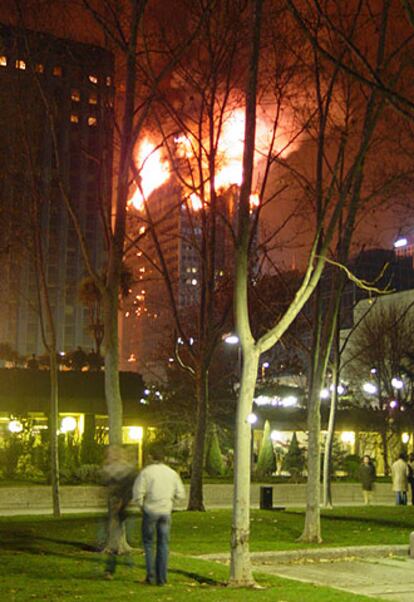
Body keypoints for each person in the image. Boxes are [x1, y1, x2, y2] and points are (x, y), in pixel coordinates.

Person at [133, 446, 185, 586]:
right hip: (165, 511)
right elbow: (180, 494)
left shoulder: (146, 473)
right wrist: (171, 502)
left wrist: (141, 506)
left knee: (149, 544)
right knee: (163, 544)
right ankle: (162, 578)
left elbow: (138, 494)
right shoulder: (172, 473)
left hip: (150, 510)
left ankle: (150, 576)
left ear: (151, 457)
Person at [101, 446, 137, 579]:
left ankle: (110, 569)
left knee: (113, 539)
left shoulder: (124, 471)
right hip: (114, 509)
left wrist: (121, 502)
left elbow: (127, 490)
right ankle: (122, 562)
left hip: (119, 509)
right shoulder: (112, 469)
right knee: (113, 537)